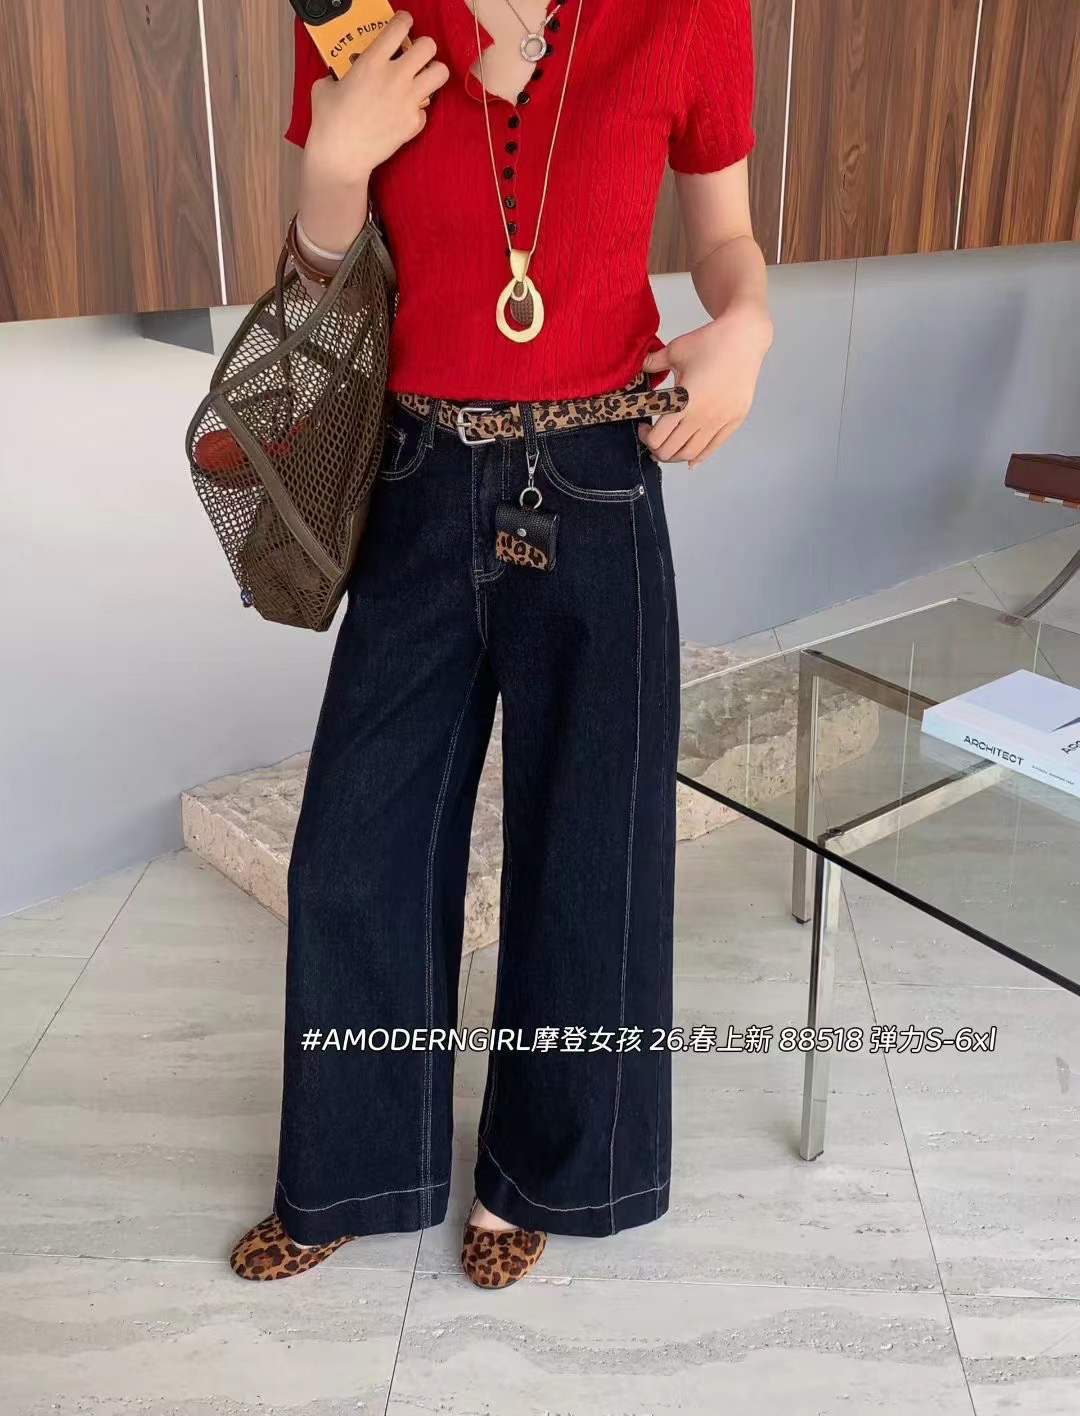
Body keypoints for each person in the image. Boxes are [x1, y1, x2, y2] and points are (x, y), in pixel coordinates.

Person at [230, 0, 772, 1289]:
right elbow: (324, 277)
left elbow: (725, 237)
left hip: (599, 475)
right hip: (417, 476)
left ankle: (545, 1171)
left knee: (594, 847)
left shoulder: (688, 14)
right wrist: (333, 165)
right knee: (357, 843)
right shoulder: (361, 14)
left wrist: (748, 327)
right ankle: (355, 1164)